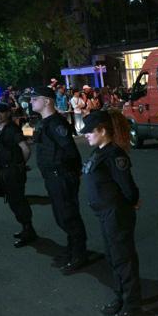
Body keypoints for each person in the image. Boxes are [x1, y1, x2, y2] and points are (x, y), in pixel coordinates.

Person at [80, 110, 143, 316]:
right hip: (106, 213)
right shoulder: (100, 152)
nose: (86, 135)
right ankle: (121, 297)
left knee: (123, 259)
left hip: (116, 213)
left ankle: (132, 304)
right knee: (113, 257)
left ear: (103, 130)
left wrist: (132, 201)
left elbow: (128, 187)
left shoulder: (115, 155)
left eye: (90, 131)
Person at [31, 87, 88, 274]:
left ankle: (79, 254)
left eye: (34, 98)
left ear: (47, 101)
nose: (31, 102)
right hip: (52, 177)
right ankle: (73, 249)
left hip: (61, 176)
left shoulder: (56, 123)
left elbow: (70, 151)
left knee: (68, 216)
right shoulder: (44, 123)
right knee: (61, 216)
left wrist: (73, 174)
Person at [0, 102, 37, 247]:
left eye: (1, 112)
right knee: (12, 200)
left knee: (18, 200)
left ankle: (28, 230)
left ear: (8, 113)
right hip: (3, 169)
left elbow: (26, 149)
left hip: (12, 170)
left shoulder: (12, 129)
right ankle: (26, 228)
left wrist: (19, 165)